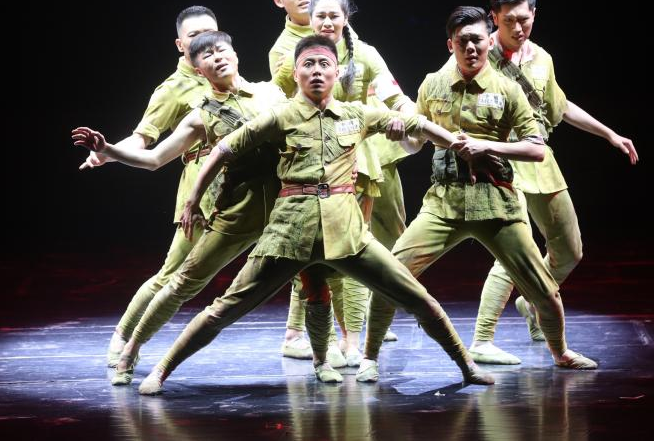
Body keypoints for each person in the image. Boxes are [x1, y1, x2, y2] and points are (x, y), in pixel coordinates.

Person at [136, 34, 496, 395]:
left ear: (337, 73)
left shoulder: (354, 114)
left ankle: (467, 366)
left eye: (325, 64)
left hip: (347, 234)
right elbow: (224, 150)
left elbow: (415, 124)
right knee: (225, 309)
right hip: (289, 234)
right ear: (296, 74)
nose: (317, 71)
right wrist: (192, 199)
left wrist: (460, 146)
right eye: (308, 64)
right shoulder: (280, 116)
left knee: (419, 299)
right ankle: (162, 369)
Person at [73, 31, 354, 390]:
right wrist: (109, 150)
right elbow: (154, 158)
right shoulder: (200, 115)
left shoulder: (271, 94)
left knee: (314, 279)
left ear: (235, 54)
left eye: (221, 50)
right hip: (239, 210)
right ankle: (131, 350)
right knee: (182, 282)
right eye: (206, 55)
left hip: (286, 208)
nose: (217, 57)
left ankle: (321, 358)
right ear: (197, 69)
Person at [360, 6, 598, 384]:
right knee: (391, 275)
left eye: (477, 40)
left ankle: (560, 352)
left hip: (496, 203)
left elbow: (536, 148)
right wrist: (399, 134)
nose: (471, 48)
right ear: (450, 45)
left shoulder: (507, 90)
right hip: (445, 203)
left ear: (489, 41)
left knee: (543, 290)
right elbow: (415, 142)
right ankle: (369, 358)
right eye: (463, 41)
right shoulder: (433, 84)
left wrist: (488, 146)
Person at [468, 0, 638, 365]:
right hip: (498, 161)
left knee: (569, 249)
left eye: (524, 19)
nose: (517, 28)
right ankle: (482, 339)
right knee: (513, 253)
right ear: (493, 17)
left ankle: (533, 301)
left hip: (538, 158)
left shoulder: (541, 58)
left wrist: (609, 133)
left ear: (533, 14)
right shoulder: (478, 53)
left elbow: (560, 106)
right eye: (508, 21)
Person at [268, 0, 405, 363]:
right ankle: (310, 333)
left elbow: (393, 94)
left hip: (364, 157)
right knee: (315, 249)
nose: (326, 19)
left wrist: (414, 122)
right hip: (314, 162)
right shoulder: (289, 52)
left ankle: (356, 330)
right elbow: (280, 102)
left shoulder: (359, 48)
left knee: (363, 245)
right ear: (280, 0)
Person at [79, 6, 220, 367]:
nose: (204, 40)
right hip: (202, 188)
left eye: (210, 32)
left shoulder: (225, 72)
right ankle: (124, 336)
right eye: (194, 35)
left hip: (241, 181)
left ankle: (302, 335)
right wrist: (108, 153)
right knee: (174, 275)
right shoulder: (173, 89)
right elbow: (143, 140)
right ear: (180, 45)